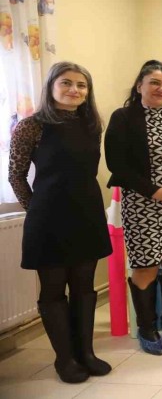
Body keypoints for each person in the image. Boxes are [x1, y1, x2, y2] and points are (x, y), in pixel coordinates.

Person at [9, 62, 112, 383]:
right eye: (66, 83)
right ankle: (64, 360)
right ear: (51, 86)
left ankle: (86, 354)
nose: (74, 90)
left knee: (84, 287)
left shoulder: (92, 125)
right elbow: (16, 175)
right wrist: (36, 209)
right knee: (54, 290)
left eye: (82, 85)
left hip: (86, 214)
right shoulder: (30, 126)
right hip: (48, 218)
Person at [105, 60, 162, 356]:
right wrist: (154, 191)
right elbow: (117, 164)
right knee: (145, 266)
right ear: (139, 86)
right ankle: (147, 327)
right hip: (142, 203)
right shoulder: (123, 117)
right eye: (155, 83)